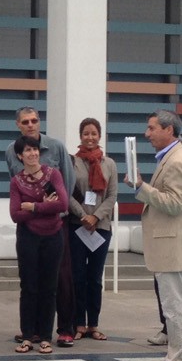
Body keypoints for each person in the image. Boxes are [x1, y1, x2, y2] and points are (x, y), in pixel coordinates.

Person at [126, 109, 182, 361]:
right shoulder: (178, 157)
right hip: (179, 245)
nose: (147, 134)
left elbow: (173, 204)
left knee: (176, 308)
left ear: (169, 130)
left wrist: (141, 187)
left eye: (152, 128)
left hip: (173, 245)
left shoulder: (177, 161)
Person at [5, 106, 78, 346]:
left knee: (60, 279)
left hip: (56, 225)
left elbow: (65, 186)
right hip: (28, 230)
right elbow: (16, 206)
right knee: (30, 283)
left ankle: (65, 328)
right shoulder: (10, 151)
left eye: (34, 120)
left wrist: (39, 207)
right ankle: (31, 332)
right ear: (18, 124)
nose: (30, 124)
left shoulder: (56, 148)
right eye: (25, 121)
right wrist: (41, 203)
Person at [68, 117, 117, 342]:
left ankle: (93, 324)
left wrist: (96, 216)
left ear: (99, 136)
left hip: (101, 228)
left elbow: (112, 196)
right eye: (86, 133)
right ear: (80, 136)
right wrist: (83, 215)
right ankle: (78, 323)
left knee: (95, 279)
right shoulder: (71, 163)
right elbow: (66, 194)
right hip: (78, 227)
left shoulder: (109, 164)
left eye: (94, 133)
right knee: (77, 277)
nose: (90, 137)